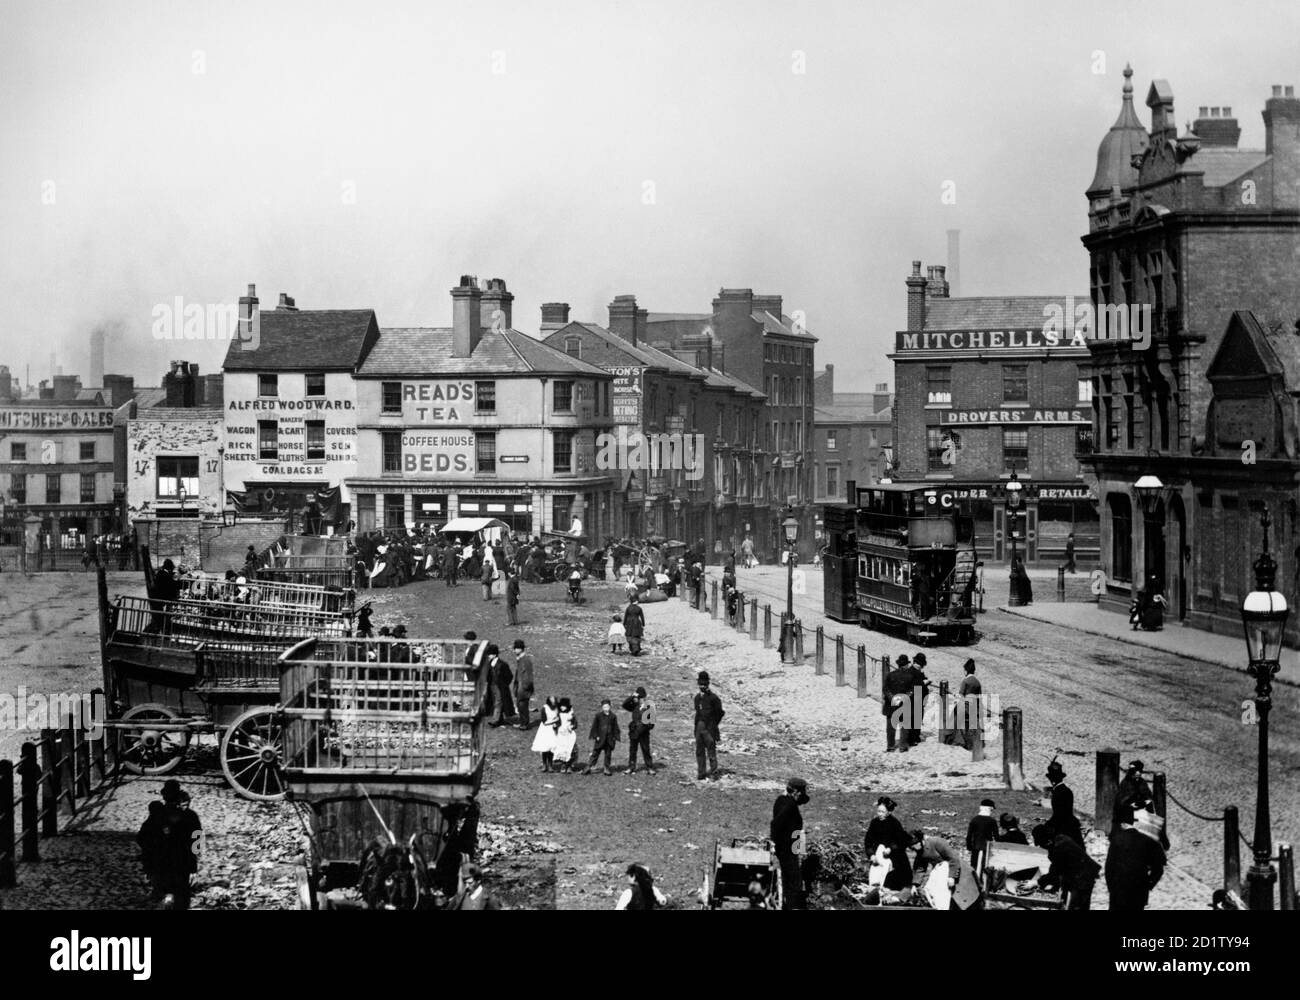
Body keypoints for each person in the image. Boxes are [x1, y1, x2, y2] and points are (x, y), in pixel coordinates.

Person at [1031, 823, 1101, 910]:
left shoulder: (1060, 847)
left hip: (1084, 876)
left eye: (1042, 844)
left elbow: (1055, 871)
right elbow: (1057, 868)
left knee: (1077, 905)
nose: (1043, 847)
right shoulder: (1059, 838)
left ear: (1047, 841)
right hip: (1080, 873)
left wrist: (1037, 882)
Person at [910, 829, 983, 910]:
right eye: (911, 846)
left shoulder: (936, 842)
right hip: (942, 872)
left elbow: (953, 858)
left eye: (915, 844)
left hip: (959, 871)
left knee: (966, 898)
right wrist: (915, 884)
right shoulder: (920, 851)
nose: (914, 847)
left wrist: (951, 876)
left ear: (921, 840)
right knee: (942, 896)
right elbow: (920, 868)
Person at [1105, 815, 1166, 911]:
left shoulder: (1116, 840)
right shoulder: (1149, 841)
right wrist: (1148, 885)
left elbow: (1108, 868)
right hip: (1138, 892)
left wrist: (1112, 888)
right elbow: (1159, 870)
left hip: (1118, 892)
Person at [771, 777, 810, 910]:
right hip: (787, 849)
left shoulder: (781, 800)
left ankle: (787, 903)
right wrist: (796, 848)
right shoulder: (789, 806)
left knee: (789, 880)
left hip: (785, 847)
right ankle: (792, 906)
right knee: (794, 881)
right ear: (796, 793)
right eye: (801, 793)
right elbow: (776, 824)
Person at [863, 796, 912, 891]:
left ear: (889, 812)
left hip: (894, 857)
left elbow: (902, 841)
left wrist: (891, 848)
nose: (880, 814)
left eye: (882, 812)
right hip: (878, 855)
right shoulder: (874, 823)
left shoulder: (895, 823)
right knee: (876, 877)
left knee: (892, 883)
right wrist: (871, 854)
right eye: (878, 811)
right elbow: (868, 841)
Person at [1044, 757, 1084, 847]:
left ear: (1052, 780)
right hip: (1068, 823)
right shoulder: (1064, 790)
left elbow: (1059, 814)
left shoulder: (1059, 792)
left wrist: (1048, 824)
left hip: (1063, 826)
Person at [693, 671, 724, 781]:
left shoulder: (714, 698)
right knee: (699, 751)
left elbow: (720, 713)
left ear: (708, 684)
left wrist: (713, 725)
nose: (702, 686)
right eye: (701, 684)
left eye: (704, 684)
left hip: (709, 729)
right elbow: (697, 713)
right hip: (699, 728)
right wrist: (696, 728)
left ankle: (713, 773)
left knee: (711, 751)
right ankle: (701, 773)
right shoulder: (697, 698)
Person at [1112, 760, 1154, 838]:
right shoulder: (1125, 783)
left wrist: (1147, 801)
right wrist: (1130, 805)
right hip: (1127, 815)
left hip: (1140, 814)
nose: (1138, 773)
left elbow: (1148, 795)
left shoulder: (1142, 782)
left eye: (1140, 771)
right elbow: (1120, 801)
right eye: (1135, 771)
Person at [883, 655, 914, 752]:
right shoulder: (910, 677)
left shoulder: (890, 675)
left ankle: (890, 746)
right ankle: (903, 746)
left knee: (890, 727)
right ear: (905, 665)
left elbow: (885, 689)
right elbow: (912, 691)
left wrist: (893, 698)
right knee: (905, 726)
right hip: (904, 704)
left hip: (891, 704)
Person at [622, 687, 655, 774]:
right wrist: (632, 696)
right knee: (632, 750)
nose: (640, 700)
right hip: (634, 730)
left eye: (641, 698)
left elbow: (652, 723)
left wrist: (644, 727)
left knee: (646, 750)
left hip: (644, 732)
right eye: (639, 698)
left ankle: (650, 767)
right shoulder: (634, 706)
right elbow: (624, 705)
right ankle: (631, 767)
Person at [583, 699, 620, 775]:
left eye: (607, 706)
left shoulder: (613, 716)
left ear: (610, 707)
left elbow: (615, 727)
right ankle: (588, 767)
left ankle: (606, 768)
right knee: (595, 753)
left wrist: (615, 737)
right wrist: (596, 736)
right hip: (600, 738)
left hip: (609, 739)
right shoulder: (598, 716)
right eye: (604, 707)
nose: (605, 708)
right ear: (602, 707)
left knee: (608, 754)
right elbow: (595, 727)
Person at [485, 645, 516, 727]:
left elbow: (509, 676)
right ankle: (500, 719)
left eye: (490, 654)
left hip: (500, 687)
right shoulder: (489, 663)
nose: (489, 656)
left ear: (494, 655)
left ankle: (495, 720)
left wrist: (504, 685)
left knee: (498, 703)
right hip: (492, 686)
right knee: (496, 702)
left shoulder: (502, 664)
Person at [966, 798, 999, 870]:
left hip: (975, 847)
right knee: (985, 868)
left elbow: (969, 836)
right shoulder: (992, 821)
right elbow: (997, 837)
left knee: (974, 867)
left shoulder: (974, 820)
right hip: (987, 848)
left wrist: (969, 846)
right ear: (990, 809)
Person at [906, 652, 931, 746]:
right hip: (915, 699)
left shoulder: (911, 670)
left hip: (915, 699)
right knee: (915, 719)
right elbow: (916, 684)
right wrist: (924, 683)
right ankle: (913, 739)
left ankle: (914, 737)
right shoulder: (913, 672)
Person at [511, 639, 535, 730]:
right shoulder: (521, 659)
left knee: (523, 706)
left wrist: (524, 687)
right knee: (520, 705)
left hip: (524, 688)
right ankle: (522, 722)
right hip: (520, 687)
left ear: (521, 649)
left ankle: (524, 724)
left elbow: (528, 676)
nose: (514, 651)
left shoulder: (525, 660)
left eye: (516, 649)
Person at [532, 696, 560, 771]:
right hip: (545, 730)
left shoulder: (557, 708)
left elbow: (559, 719)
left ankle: (550, 765)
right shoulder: (545, 708)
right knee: (545, 748)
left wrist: (556, 724)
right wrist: (554, 721)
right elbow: (544, 722)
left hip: (553, 730)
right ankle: (544, 765)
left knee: (551, 748)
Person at [553, 698, 578, 773]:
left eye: (564, 706)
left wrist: (572, 726)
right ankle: (563, 765)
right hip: (561, 734)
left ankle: (569, 765)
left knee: (570, 749)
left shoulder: (571, 714)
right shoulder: (558, 714)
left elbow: (575, 724)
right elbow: (557, 722)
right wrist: (555, 726)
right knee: (562, 749)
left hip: (569, 734)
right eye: (561, 706)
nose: (562, 708)